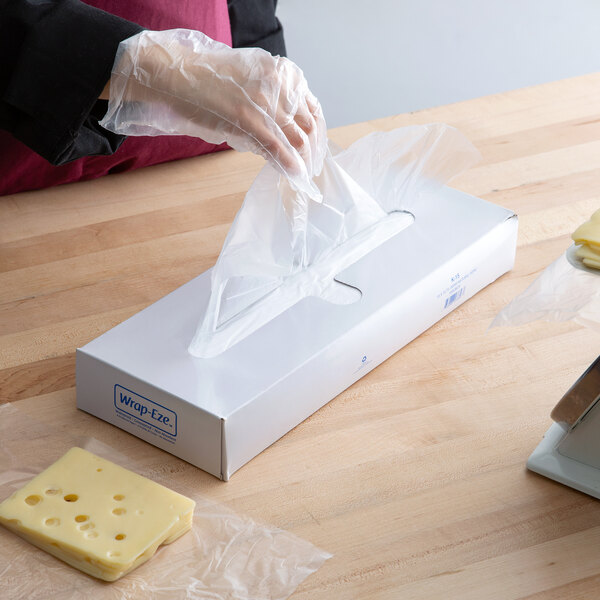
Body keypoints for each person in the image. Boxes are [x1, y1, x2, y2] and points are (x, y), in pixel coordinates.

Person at [0, 0, 325, 196]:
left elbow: (251, 16)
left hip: (195, 186)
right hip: (23, 203)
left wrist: (268, 73)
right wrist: (156, 68)